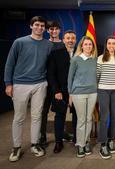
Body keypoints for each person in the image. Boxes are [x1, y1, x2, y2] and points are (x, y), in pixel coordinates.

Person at [4, 16, 53, 162]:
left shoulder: (48, 44)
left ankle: (35, 144)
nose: (39, 28)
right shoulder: (19, 42)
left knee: (37, 116)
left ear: (45, 28)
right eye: (36, 25)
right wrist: (8, 83)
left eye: (42, 26)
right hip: (20, 84)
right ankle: (16, 147)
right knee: (19, 117)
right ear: (31, 26)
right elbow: (9, 64)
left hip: (40, 84)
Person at [40, 20, 71, 147]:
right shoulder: (44, 44)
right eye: (51, 29)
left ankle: (61, 133)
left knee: (60, 110)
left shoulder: (63, 45)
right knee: (44, 110)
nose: (53, 31)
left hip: (59, 84)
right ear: (48, 31)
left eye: (56, 29)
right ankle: (42, 135)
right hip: (45, 82)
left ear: (60, 31)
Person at [97, 36, 115, 159]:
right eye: (109, 43)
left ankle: (110, 139)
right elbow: (97, 76)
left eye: (113, 43)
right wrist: (96, 92)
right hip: (103, 90)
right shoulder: (100, 58)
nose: (111, 45)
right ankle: (103, 144)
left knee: (114, 117)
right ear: (106, 45)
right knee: (104, 117)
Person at [47, 30, 77, 153]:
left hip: (77, 91)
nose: (70, 40)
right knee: (60, 116)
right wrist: (56, 91)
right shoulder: (55, 54)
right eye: (68, 38)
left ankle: (76, 139)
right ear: (63, 40)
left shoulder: (80, 54)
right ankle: (58, 142)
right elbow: (51, 74)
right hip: (60, 91)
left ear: (75, 40)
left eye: (73, 38)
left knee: (77, 116)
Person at [68, 36, 98, 158]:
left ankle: (86, 142)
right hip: (78, 93)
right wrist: (70, 93)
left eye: (90, 45)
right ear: (81, 46)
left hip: (93, 92)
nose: (88, 46)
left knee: (88, 119)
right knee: (81, 119)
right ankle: (80, 144)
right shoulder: (75, 59)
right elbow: (70, 77)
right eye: (86, 44)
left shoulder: (95, 59)